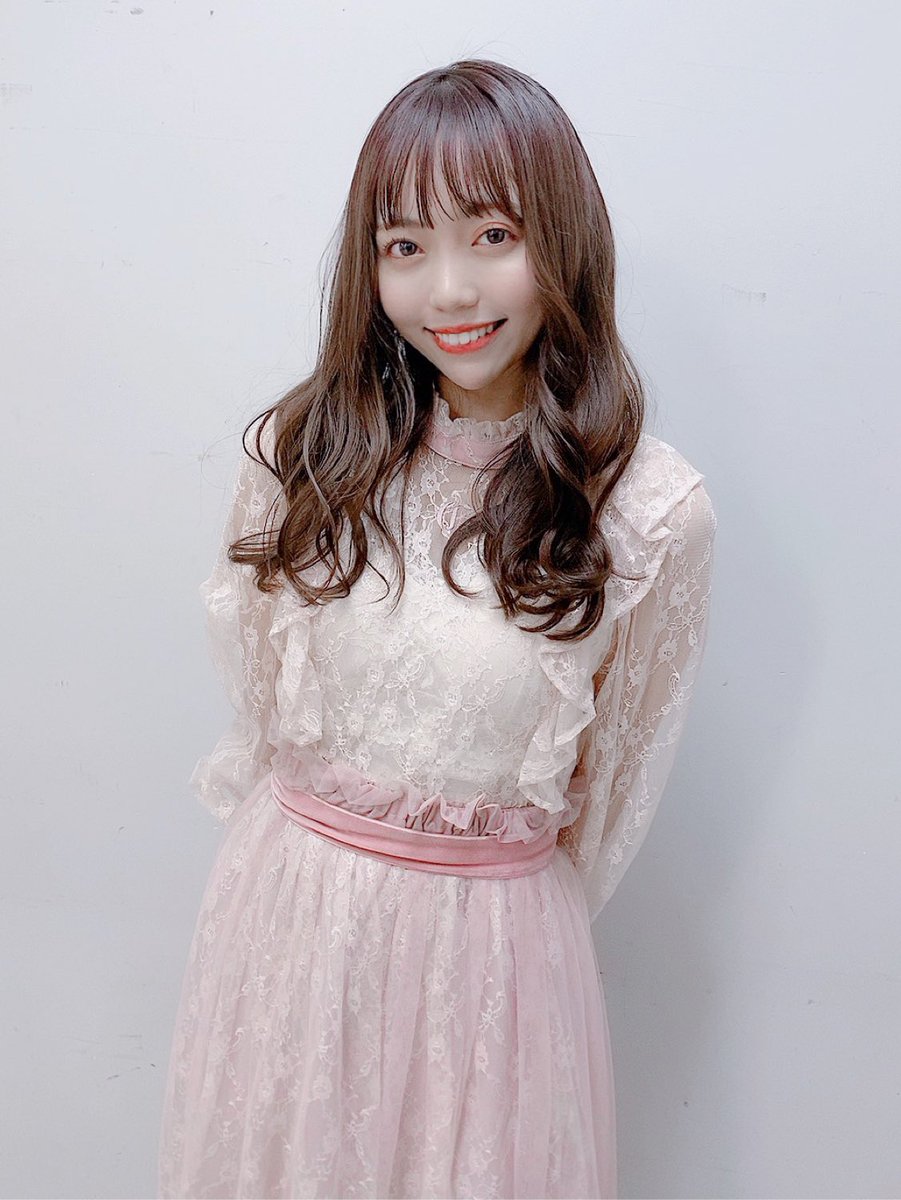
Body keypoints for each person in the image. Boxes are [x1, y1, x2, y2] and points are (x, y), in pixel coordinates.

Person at [157, 58, 717, 1200]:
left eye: (492, 236)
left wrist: (469, 910)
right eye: (404, 246)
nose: (449, 291)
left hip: (492, 968)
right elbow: (264, 712)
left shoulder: (650, 513)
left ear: (562, 237)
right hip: (287, 924)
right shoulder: (300, 457)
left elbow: (609, 800)